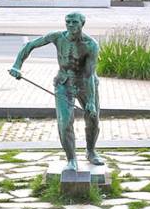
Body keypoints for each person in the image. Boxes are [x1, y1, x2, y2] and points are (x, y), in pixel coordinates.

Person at [9, 12, 102, 172]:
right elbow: (30, 45)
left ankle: (91, 151)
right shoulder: (57, 37)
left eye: (74, 22)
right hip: (63, 83)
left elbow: (89, 75)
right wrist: (17, 65)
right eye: (68, 22)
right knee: (64, 123)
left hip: (85, 84)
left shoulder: (90, 44)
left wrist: (91, 102)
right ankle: (71, 159)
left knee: (93, 119)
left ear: (82, 24)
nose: (70, 25)